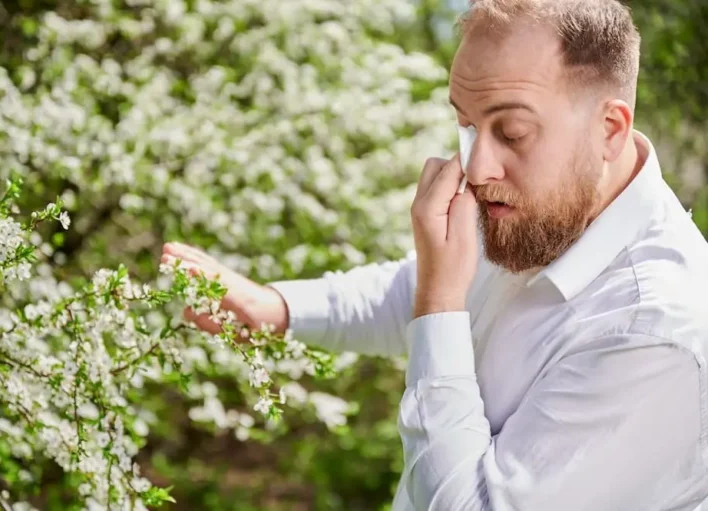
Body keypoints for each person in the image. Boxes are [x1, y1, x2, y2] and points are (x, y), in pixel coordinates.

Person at [161, 0, 708, 509]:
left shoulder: (651, 335)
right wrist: (278, 309)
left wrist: (439, 301)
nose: (475, 167)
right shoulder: (548, 208)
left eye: (512, 132)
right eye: (466, 125)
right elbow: (419, 292)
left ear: (609, 130)